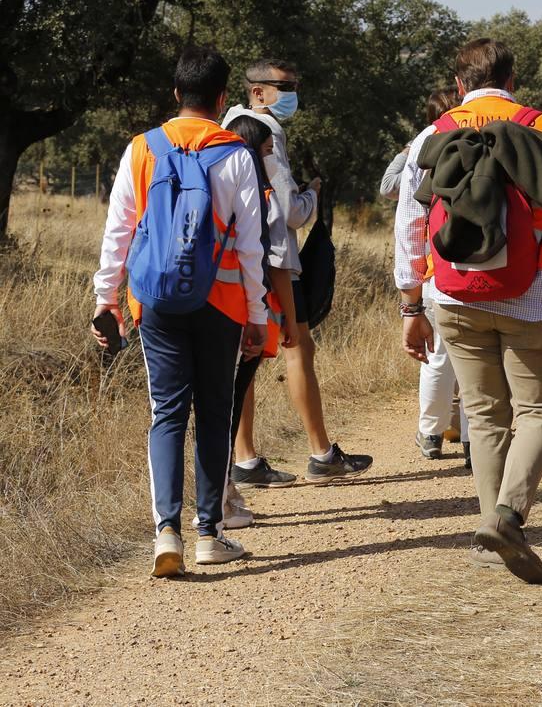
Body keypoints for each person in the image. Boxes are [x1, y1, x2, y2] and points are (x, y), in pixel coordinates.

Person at [394, 38, 542, 584]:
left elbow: (409, 227)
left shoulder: (431, 136)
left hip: (455, 296)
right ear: (512, 82)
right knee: (539, 412)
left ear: (459, 84)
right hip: (535, 295)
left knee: (485, 416)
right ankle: (508, 517)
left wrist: (409, 303)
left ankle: (491, 538)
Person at [92, 45, 267, 576]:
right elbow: (253, 245)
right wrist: (258, 314)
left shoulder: (142, 149)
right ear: (221, 99)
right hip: (223, 303)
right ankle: (209, 533)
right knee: (215, 414)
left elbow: (118, 231)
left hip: (156, 302)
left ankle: (166, 530)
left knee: (166, 414)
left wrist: (107, 299)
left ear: (175, 94)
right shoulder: (236, 152)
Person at [223, 59, 373, 485]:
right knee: (298, 345)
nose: (292, 95)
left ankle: (245, 458)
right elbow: (289, 211)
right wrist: (312, 195)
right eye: (284, 87)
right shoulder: (266, 131)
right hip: (275, 259)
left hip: (238, 257)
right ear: (257, 91)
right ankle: (321, 452)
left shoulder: (228, 123)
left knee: (243, 355)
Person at [216, 114, 299, 528]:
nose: (271, 158)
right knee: (227, 407)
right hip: (243, 309)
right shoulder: (258, 192)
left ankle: (214, 497)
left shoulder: (214, 179)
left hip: (201, 304)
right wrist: (282, 318)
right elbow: (273, 261)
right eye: (267, 151)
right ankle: (222, 497)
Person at [379, 89, 463, 460]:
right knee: (480, 361)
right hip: (489, 265)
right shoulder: (486, 139)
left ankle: (430, 434)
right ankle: (476, 444)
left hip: (436, 269)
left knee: (437, 355)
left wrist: (409, 300)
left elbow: (408, 216)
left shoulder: (424, 148)